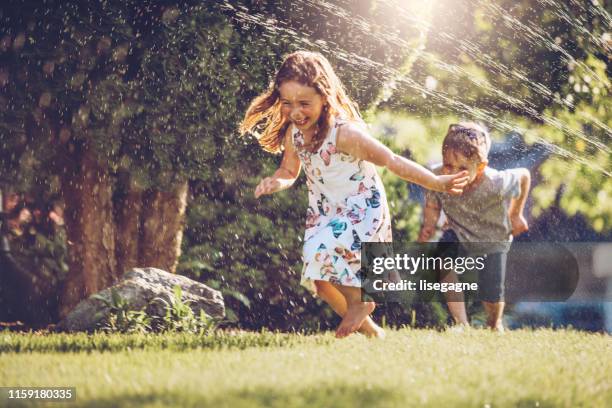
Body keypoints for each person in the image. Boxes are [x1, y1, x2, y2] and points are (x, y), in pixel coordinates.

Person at [240, 51, 468, 338]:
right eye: (287, 103)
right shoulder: (295, 134)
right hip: (325, 212)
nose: (295, 112)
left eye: (304, 103)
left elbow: (391, 160)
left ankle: (361, 302)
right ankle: (372, 332)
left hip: (361, 207)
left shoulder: (344, 134)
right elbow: (289, 170)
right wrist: (276, 182)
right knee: (320, 282)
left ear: (324, 98)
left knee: (322, 252)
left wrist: (435, 181)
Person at [418, 122, 531, 332]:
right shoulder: (437, 177)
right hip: (459, 233)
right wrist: (429, 225)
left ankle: (494, 324)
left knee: (491, 294)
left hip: (493, 239)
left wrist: (516, 214)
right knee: (442, 262)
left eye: (462, 168)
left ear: (479, 168)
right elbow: (432, 201)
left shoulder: (496, 182)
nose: (453, 173)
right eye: (448, 165)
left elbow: (524, 175)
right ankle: (462, 324)